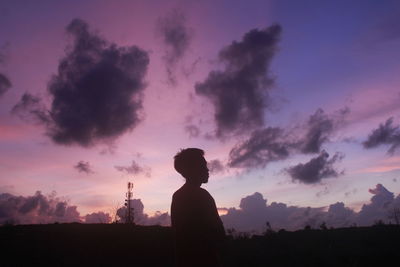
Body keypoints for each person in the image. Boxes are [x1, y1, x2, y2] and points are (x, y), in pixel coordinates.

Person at [171, 148, 225, 267]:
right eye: (202, 166)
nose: (207, 169)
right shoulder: (203, 196)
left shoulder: (178, 196)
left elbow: (178, 238)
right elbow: (219, 233)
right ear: (191, 169)